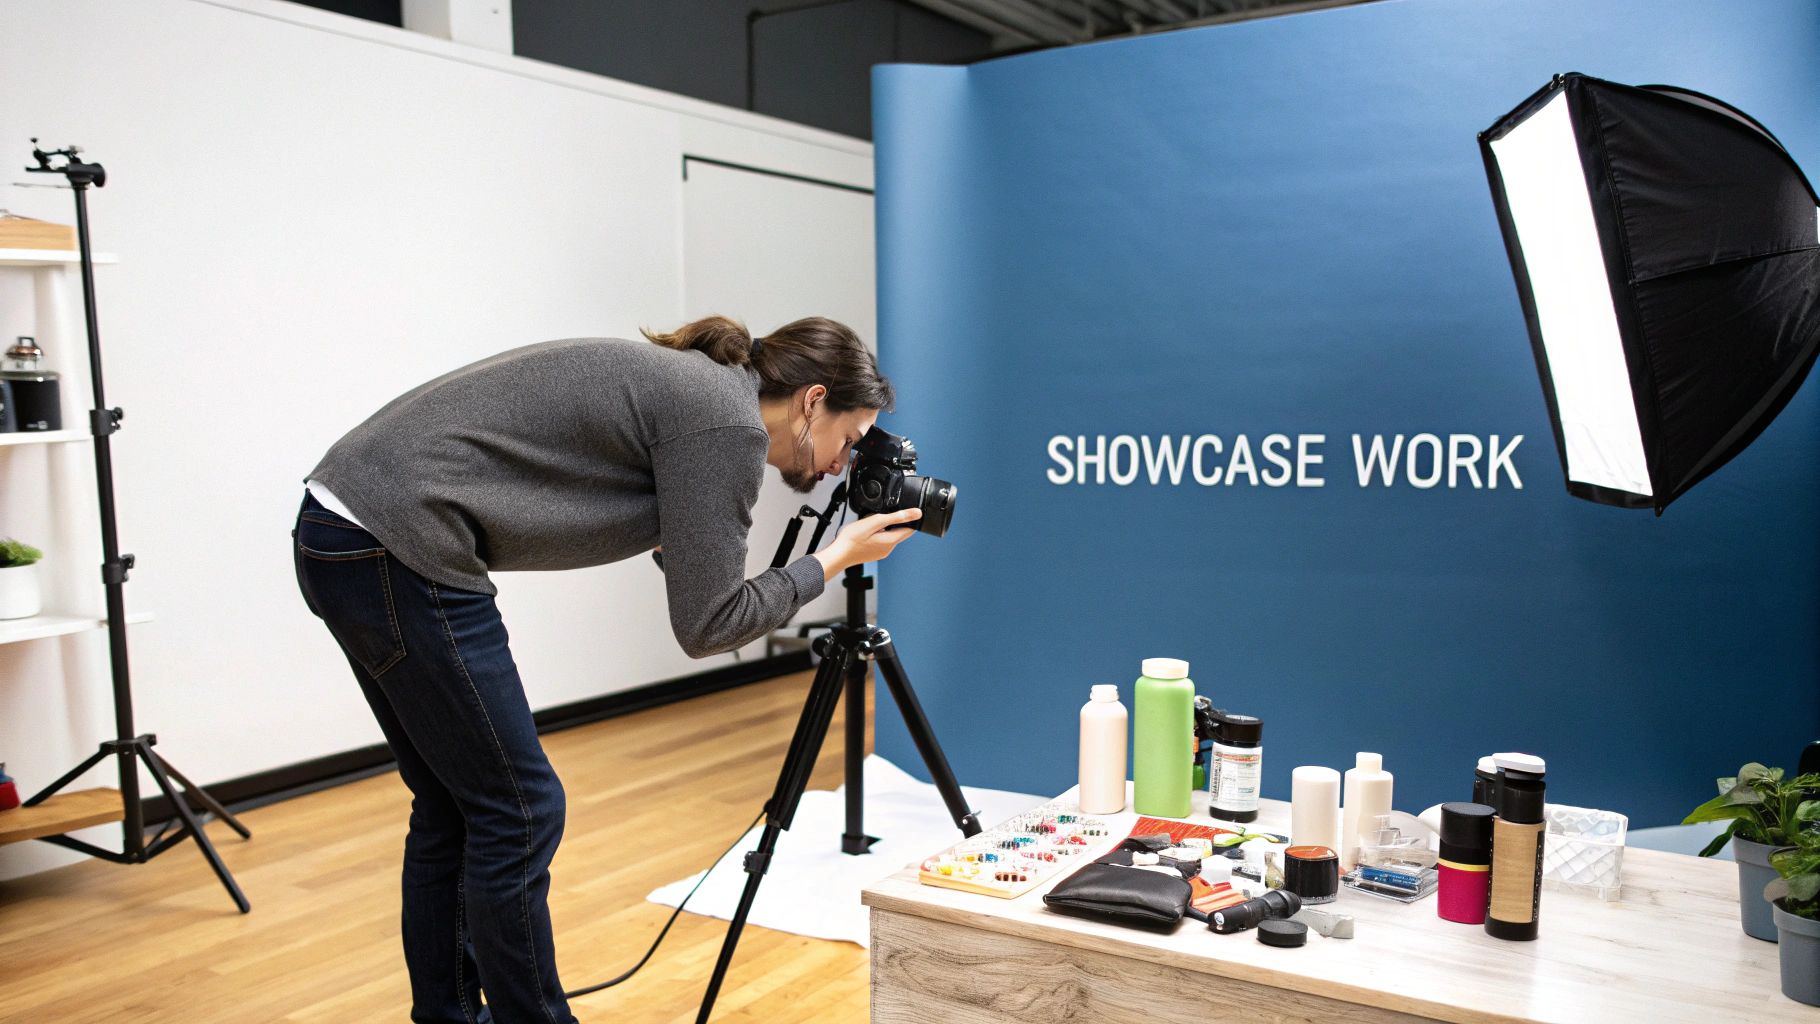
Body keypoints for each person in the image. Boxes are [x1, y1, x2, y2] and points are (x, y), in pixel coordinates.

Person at [291, 316, 918, 1024]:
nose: (846, 463)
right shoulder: (727, 425)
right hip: (396, 542)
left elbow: (698, 585)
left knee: (456, 805)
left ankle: (450, 1015)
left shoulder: (708, 397)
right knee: (520, 808)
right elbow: (710, 626)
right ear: (812, 401)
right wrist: (834, 559)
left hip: (341, 529)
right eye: (852, 437)